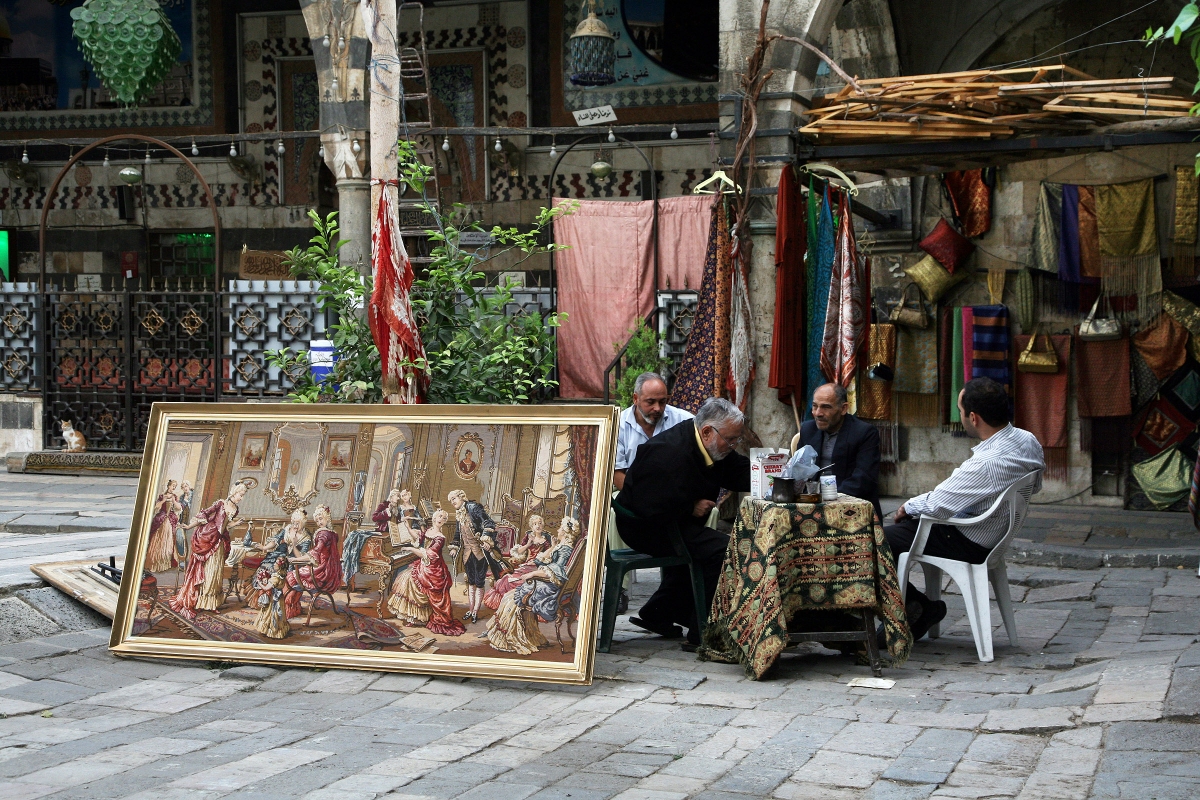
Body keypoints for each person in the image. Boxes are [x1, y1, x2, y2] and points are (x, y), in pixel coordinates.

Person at [886, 377, 1044, 643]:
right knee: (895, 532)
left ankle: (920, 608)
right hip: (993, 533)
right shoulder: (1027, 440)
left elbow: (938, 504)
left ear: (973, 417)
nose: (960, 417)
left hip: (967, 538)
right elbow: (1035, 486)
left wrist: (906, 506)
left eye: (960, 412)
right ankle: (919, 608)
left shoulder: (987, 463)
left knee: (872, 542)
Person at [616, 397, 751, 648]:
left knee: (702, 546)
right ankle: (703, 633)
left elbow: (739, 471)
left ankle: (658, 613)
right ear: (707, 431)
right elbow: (648, 504)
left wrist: (773, 473)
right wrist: (689, 506)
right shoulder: (667, 452)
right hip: (645, 526)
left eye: (737, 440)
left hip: (676, 521)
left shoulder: (714, 446)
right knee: (721, 549)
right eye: (731, 439)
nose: (733, 445)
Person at [485, 518, 580, 654]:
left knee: (510, 598)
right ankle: (529, 635)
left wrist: (532, 574)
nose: (558, 530)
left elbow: (557, 571)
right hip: (550, 584)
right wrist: (552, 547)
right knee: (509, 594)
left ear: (564, 532)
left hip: (551, 588)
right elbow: (541, 560)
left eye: (560, 528)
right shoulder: (561, 546)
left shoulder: (565, 549)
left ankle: (512, 637)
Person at [799, 383, 882, 520]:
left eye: (826, 407)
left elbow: (864, 479)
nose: (818, 413)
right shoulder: (808, 429)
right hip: (812, 506)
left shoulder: (864, 433)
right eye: (815, 406)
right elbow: (800, 470)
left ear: (843, 409)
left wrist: (830, 499)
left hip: (852, 508)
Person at [170, 480, 249, 619]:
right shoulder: (220, 504)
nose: (241, 498)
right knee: (208, 572)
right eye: (240, 495)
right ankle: (201, 601)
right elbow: (204, 514)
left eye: (243, 496)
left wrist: (235, 523)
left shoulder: (236, 509)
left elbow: (225, 526)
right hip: (208, 537)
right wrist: (189, 526)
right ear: (234, 492)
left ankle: (211, 604)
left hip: (219, 541)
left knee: (216, 573)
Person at [387, 508, 466, 636]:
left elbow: (429, 554)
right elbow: (419, 538)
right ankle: (412, 616)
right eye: (440, 516)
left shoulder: (440, 538)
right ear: (434, 517)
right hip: (424, 564)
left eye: (444, 518)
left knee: (413, 581)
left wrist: (410, 549)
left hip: (433, 567)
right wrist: (407, 527)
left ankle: (420, 618)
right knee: (405, 577)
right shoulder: (429, 530)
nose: (442, 519)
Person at [613, 372, 695, 491]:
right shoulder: (618, 425)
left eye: (662, 402)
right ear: (636, 399)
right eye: (650, 402)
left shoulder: (685, 421)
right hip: (630, 490)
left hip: (675, 492)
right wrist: (643, 500)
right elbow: (617, 474)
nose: (657, 408)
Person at [447, 489, 506, 623]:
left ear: (462, 497)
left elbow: (488, 523)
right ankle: (471, 608)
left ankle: (475, 612)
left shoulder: (473, 507)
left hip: (480, 552)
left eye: (454, 498)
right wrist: (455, 547)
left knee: (479, 583)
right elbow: (458, 533)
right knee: (471, 582)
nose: (453, 502)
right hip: (467, 554)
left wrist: (486, 539)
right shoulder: (459, 513)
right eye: (451, 501)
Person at [482, 515, 556, 610]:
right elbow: (519, 551)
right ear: (532, 526)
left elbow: (548, 555)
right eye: (535, 524)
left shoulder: (547, 539)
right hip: (526, 565)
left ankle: (514, 602)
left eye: (540, 523)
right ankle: (504, 603)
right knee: (506, 578)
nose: (538, 526)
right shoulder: (529, 536)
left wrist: (552, 547)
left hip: (537, 566)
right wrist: (529, 544)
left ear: (543, 525)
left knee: (514, 580)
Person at [285, 504, 343, 619]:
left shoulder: (323, 534)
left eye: (321, 519)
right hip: (331, 572)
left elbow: (315, 552)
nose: (319, 522)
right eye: (317, 520)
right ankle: (293, 605)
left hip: (322, 573)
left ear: (327, 518)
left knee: (290, 576)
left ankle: (289, 607)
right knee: (297, 573)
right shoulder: (332, 534)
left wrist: (296, 559)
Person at [145, 480, 181, 573]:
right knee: (157, 541)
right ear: (168, 486)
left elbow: (178, 508)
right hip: (161, 519)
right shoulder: (162, 496)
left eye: (175, 486)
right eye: (173, 486)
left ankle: (165, 563)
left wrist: (173, 500)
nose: (173, 488)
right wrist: (164, 500)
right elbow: (156, 507)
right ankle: (154, 562)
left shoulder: (174, 497)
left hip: (170, 521)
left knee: (168, 541)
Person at [253, 556, 291, 640]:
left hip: (273, 598)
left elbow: (266, 588)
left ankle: (272, 630)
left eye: (275, 563)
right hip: (279, 597)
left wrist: (259, 582)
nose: (274, 564)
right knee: (279, 614)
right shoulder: (281, 575)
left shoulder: (275, 578)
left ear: (279, 566)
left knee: (271, 613)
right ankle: (279, 628)